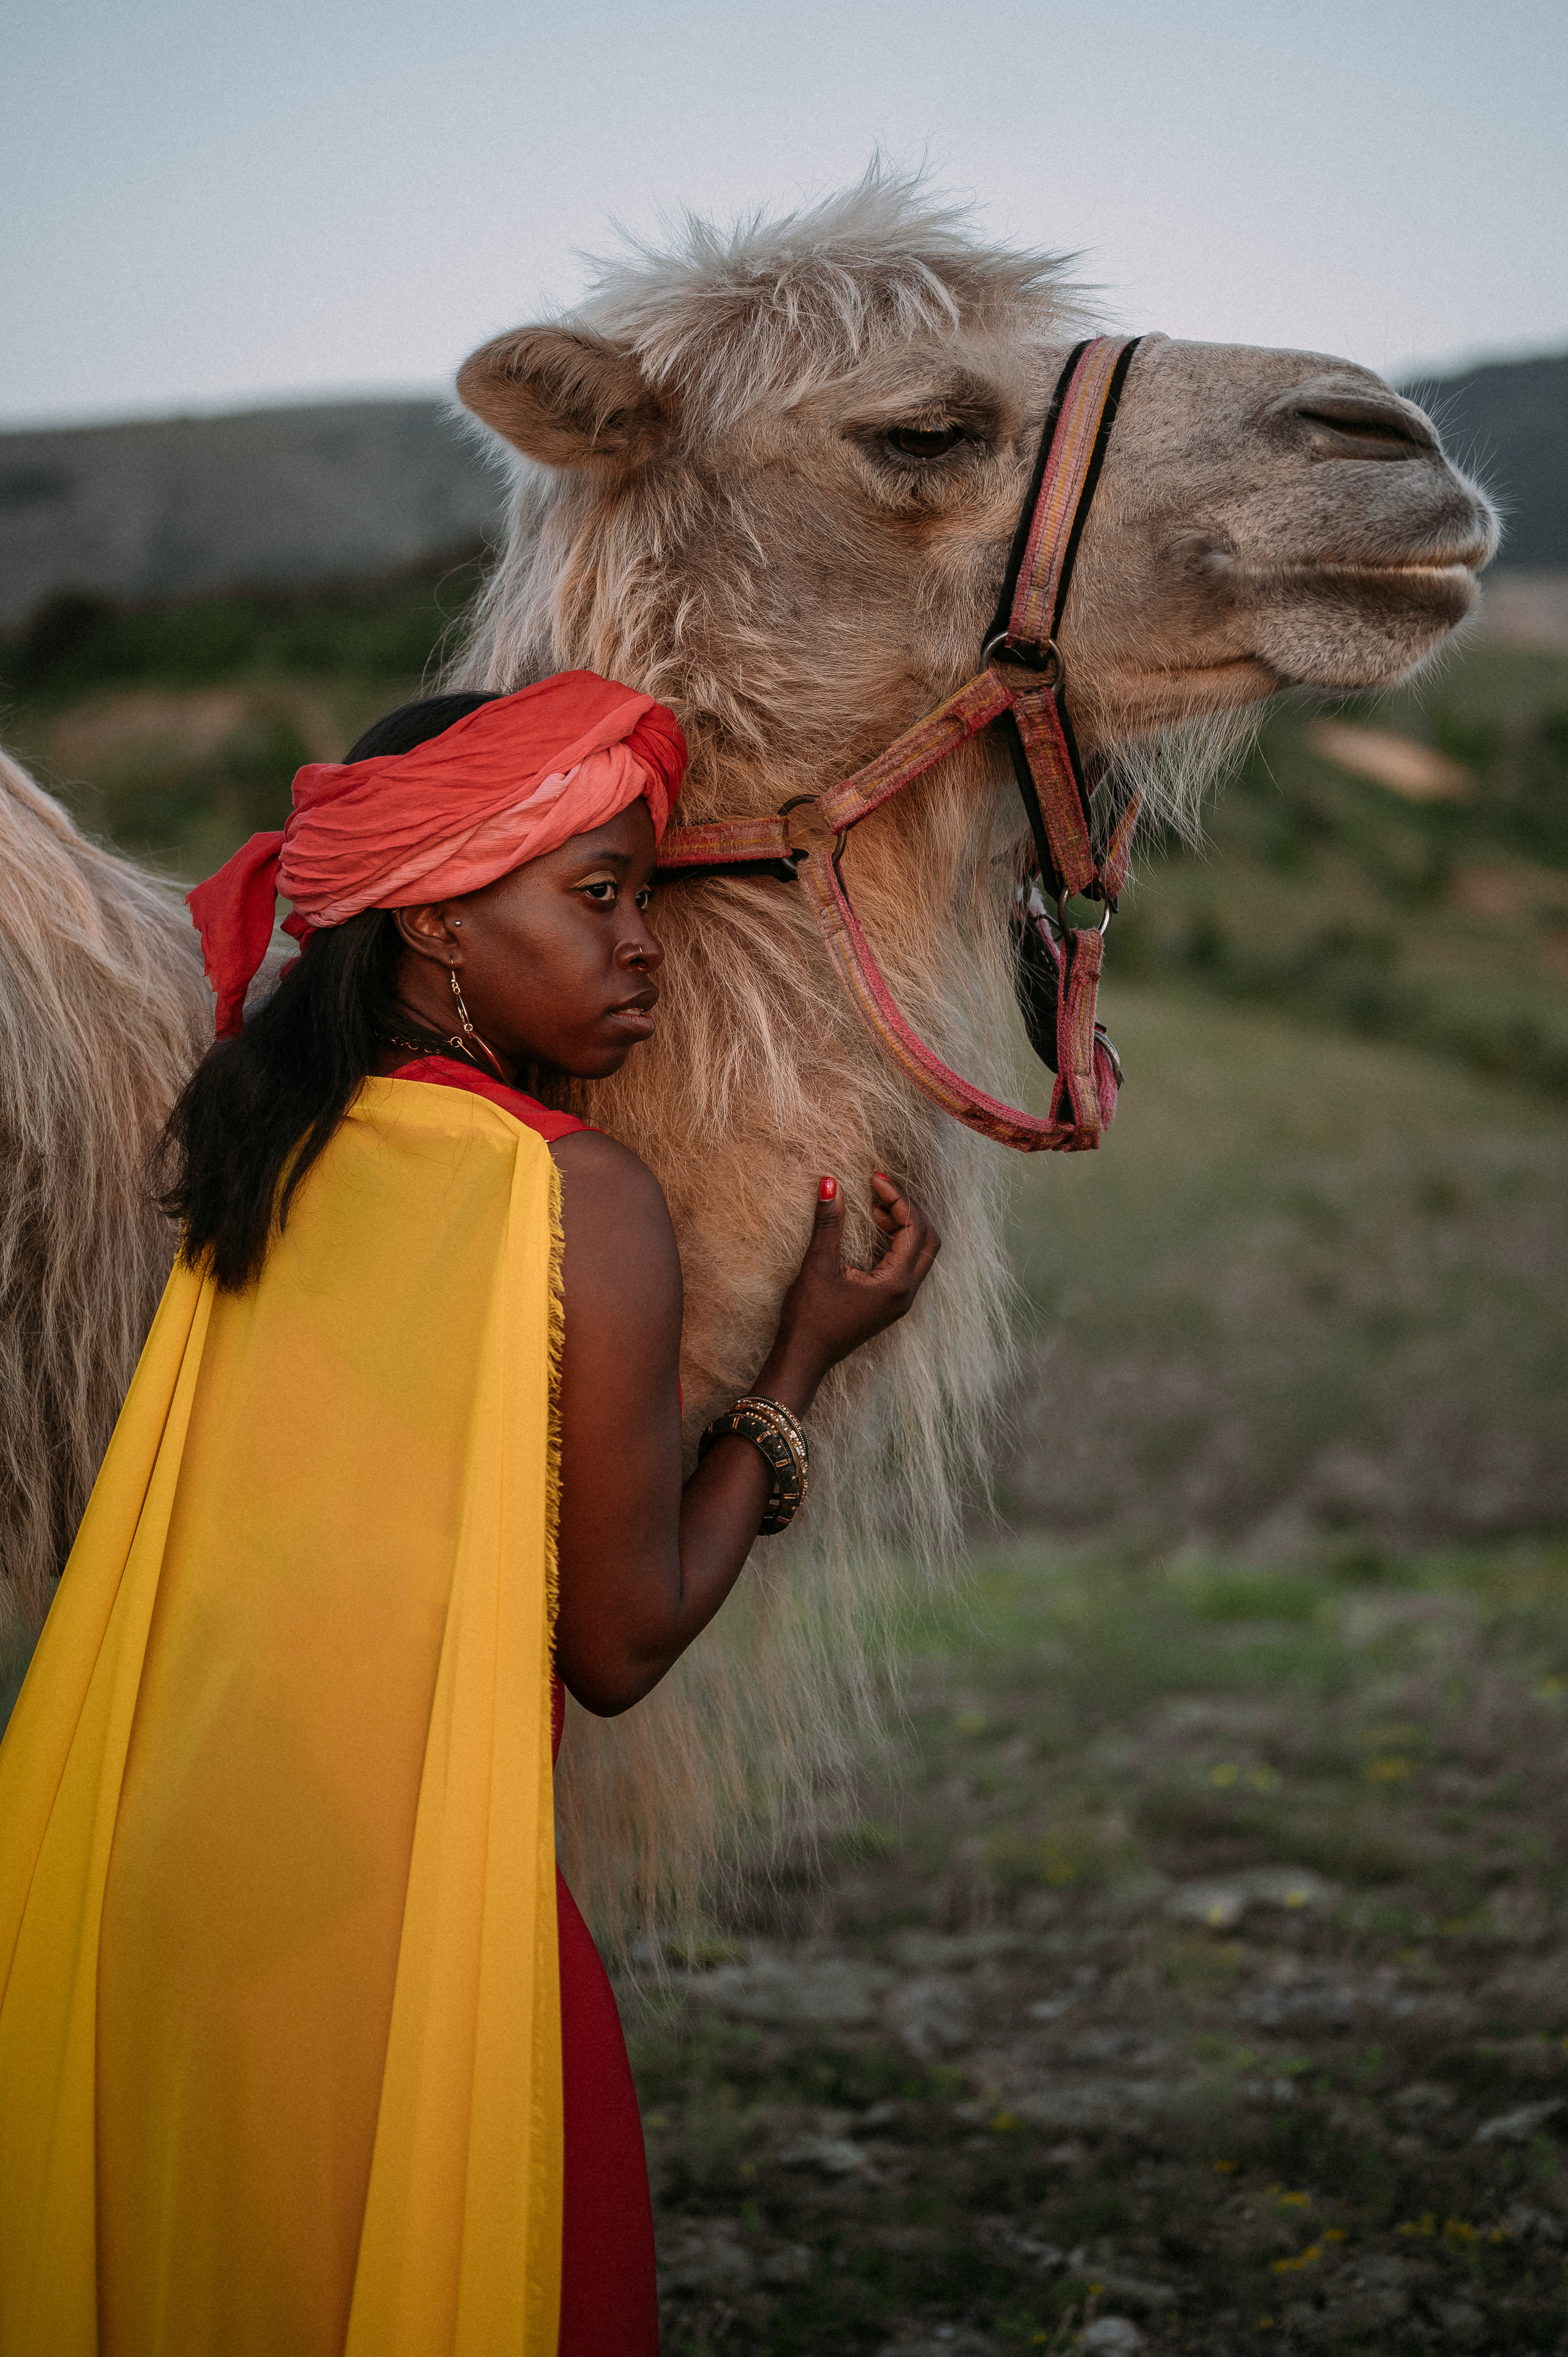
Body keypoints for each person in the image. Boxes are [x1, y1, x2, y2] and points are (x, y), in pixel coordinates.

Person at [0, 672, 939, 2356]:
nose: (640, 943)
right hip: (393, 1914)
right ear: (434, 924)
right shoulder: (574, 1194)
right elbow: (621, 1640)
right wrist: (795, 1369)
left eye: (640, 898)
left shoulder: (259, 1148)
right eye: (596, 897)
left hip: (148, 1884)